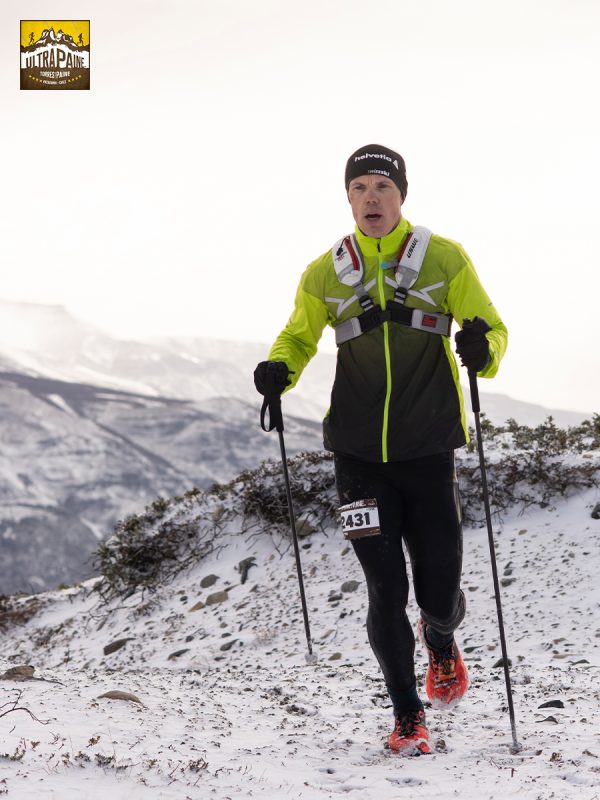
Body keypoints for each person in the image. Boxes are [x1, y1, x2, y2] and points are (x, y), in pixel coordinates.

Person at [254, 144, 507, 756]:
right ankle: (407, 715)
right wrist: (279, 368)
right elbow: (298, 336)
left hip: (429, 447)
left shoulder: (444, 258)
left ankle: (440, 639)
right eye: (360, 188)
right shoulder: (325, 271)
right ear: (348, 198)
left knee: (439, 586)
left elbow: (491, 330)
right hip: (358, 452)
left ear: (401, 196)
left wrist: (483, 352)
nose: (371, 198)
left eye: (382, 187)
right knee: (384, 587)